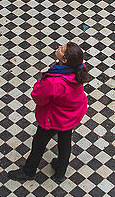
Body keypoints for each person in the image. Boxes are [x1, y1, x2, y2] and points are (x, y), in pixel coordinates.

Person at [9, 42, 91, 182]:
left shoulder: (55, 82)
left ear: (64, 60)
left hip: (54, 118)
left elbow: (38, 97)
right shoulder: (77, 70)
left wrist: (39, 83)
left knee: (38, 144)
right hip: (70, 116)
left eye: (62, 49)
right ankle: (60, 171)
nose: (59, 47)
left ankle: (29, 171)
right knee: (64, 142)